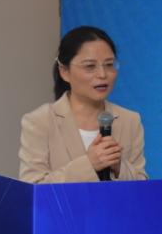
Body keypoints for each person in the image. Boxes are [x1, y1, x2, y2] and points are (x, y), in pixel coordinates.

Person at [19, 26, 147, 183]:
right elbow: (33, 186)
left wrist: (119, 167)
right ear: (64, 72)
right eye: (90, 66)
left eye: (109, 64)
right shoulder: (40, 121)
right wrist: (89, 165)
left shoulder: (130, 121)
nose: (102, 74)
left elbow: (142, 186)